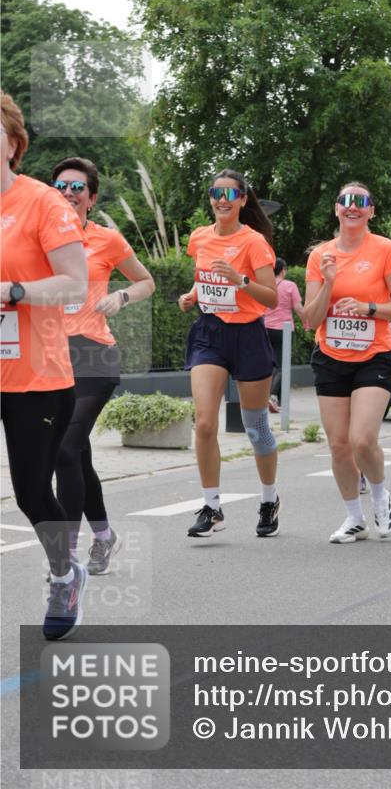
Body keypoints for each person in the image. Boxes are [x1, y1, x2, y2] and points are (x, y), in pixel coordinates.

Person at [0, 91, 89, 639]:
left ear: (13, 144)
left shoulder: (43, 203)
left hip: (34, 374)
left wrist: (14, 289)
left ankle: (64, 572)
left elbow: (75, 284)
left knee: (32, 492)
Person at [51, 158, 155, 574]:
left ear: (91, 199)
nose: (69, 192)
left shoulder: (107, 240)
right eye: (62, 185)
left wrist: (122, 298)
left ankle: (67, 557)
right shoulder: (39, 241)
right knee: (78, 457)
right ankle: (104, 537)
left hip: (94, 357)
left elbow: (146, 280)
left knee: (63, 450)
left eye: (78, 188)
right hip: (52, 360)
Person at [304, 182, 391, 543]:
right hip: (331, 355)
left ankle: (381, 497)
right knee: (338, 445)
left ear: (371, 211)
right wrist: (329, 284)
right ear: (336, 209)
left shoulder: (385, 250)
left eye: (360, 202)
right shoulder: (321, 255)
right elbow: (309, 319)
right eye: (345, 201)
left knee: (362, 440)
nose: (352, 207)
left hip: (373, 354)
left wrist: (368, 308)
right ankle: (354, 517)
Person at [179, 169, 280, 539]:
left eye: (229, 193)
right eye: (215, 193)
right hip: (209, 333)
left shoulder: (253, 242)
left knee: (256, 430)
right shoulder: (200, 237)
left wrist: (239, 279)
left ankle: (269, 499)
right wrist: (193, 294)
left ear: (241, 199)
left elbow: (270, 297)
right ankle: (212, 506)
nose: (222, 199)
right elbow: (203, 276)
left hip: (248, 334)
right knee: (205, 423)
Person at [263, 258, 305, 413]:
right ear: (283, 270)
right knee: (282, 365)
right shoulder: (290, 286)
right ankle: (272, 396)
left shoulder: (264, 286)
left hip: (265, 328)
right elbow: (299, 308)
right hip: (284, 331)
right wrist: (307, 323)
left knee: (270, 363)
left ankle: (278, 402)